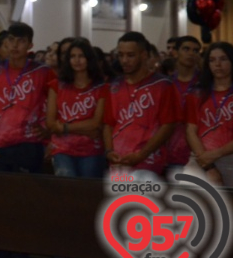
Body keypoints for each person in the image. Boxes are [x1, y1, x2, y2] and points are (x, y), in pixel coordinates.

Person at [103, 32, 179, 178]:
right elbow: (108, 124)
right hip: (118, 161)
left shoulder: (162, 85)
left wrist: (142, 154)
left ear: (144, 55)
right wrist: (109, 151)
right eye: (121, 55)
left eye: (130, 55)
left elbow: (168, 125)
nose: (124, 60)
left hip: (148, 160)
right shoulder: (114, 85)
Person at [0, 22, 52, 173]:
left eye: (21, 41)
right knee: (0, 192)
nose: (15, 45)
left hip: (29, 142)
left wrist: (48, 129)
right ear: (6, 42)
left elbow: (57, 102)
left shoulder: (42, 72)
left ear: (30, 45)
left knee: (27, 193)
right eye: (11, 40)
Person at [186, 42, 233, 187]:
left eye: (223, 59)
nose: (217, 64)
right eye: (212, 60)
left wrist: (216, 154)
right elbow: (190, 130)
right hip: (200, 156)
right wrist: (207, 164)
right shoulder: (196, 94)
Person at [46, 38, 107, 178]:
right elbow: (50, 122)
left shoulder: (101, 87)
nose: (77, 60)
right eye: (72, 56)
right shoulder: (56, 86)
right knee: (67, 186)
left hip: (91, 150)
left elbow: (96, 123)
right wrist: (84, 128)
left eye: (81, 56)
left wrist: (65, 128)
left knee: (87, 192)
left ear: (89, 58)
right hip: (62, 149)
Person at [166, 36, 201, 172]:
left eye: (196, 51)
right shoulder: (165, 84)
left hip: (199, 154)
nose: (191, 53)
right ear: (176, 52)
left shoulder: (205, 84)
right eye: (186, 49)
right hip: (170, 152)